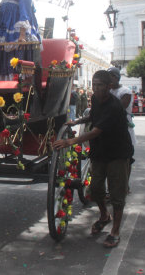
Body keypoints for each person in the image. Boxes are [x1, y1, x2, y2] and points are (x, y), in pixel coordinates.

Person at [53, 70, 133, 248]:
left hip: (118, 153)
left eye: (100, 85)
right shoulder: (96, 100)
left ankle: (115, 231)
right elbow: (93, 117)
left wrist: (70, 141)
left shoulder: (114, 106)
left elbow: (96, 130)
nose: (96, 89)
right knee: (95, 189)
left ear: (109, 87)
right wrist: (77, 121)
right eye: (94, 85)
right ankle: (104, 216)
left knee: (116, 194)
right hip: (100, 151)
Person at [107, 67, 137, 147]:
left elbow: (119, 108)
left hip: (123, 123)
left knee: (125, 147)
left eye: (112, 76)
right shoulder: (108, 90)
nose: (109, 79)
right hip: (111, 124)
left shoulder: (125, 91)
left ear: (117, 78)